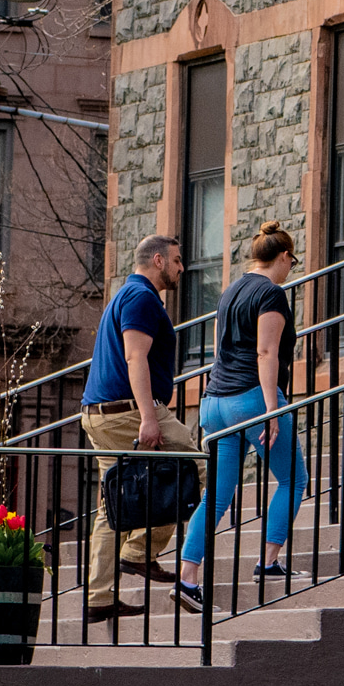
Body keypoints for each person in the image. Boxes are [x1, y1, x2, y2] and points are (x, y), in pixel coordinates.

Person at [184, 222, 307, 589]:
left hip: (215, 402)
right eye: (292, 261)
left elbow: (222, 352)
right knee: (293, 479)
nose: (290, 270)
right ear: (283, 256)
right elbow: (266, 352)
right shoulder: (270, 294)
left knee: (217, 497)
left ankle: (188, 578)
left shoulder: (229, 292)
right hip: (251, 399)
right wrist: (272, 409)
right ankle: (268, 562)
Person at [78, 231, 184, 624]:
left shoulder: (124, 295)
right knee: (194, 467)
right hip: (125, 413)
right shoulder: (141, 297)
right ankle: (139, 553)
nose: (180, 267)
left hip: (100, 413)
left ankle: (99, 596)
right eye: (175, 260)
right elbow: (135, 358)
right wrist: (149, 417)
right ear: (157, 261)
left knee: (111, 506)